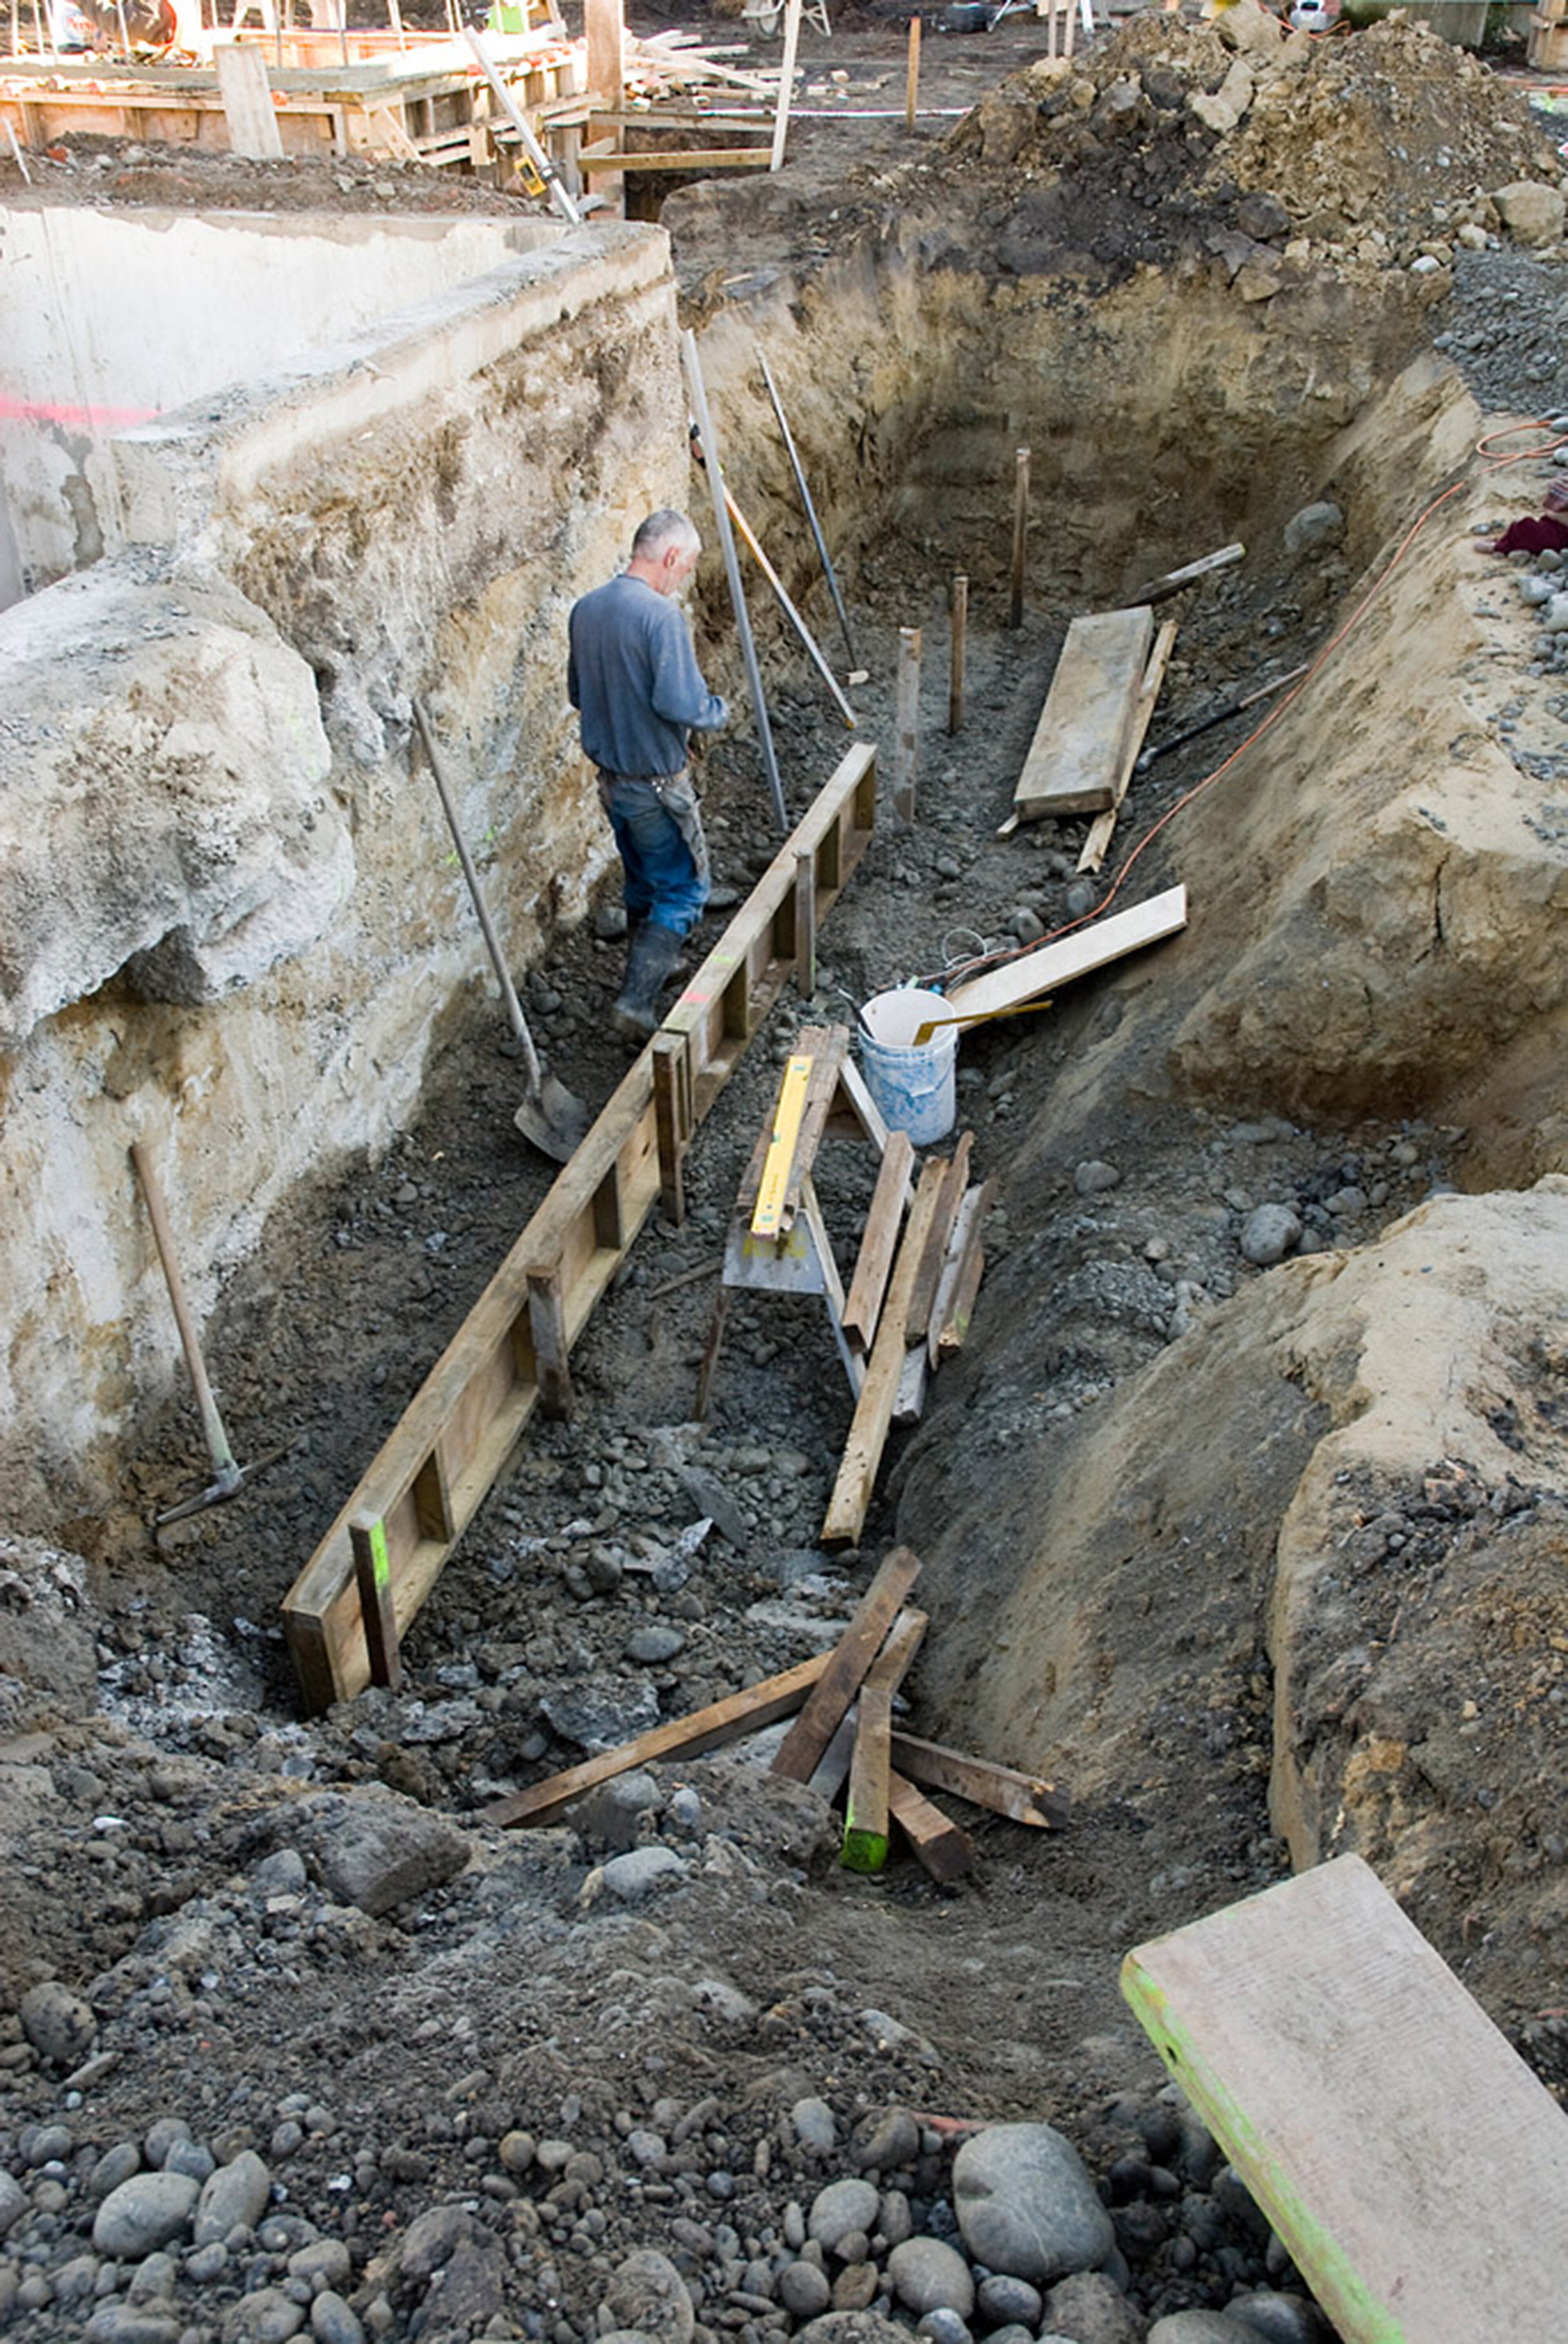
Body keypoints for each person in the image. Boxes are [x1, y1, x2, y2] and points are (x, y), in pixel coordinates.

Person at [567, 510, 729, 1038]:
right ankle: (636, 1000)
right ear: (671, 556)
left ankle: (654, 963)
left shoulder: (587, 610)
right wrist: (716, 711)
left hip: (612, 783)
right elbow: (679, 701)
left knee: (642, 878)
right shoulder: (659, 618)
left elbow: (578, 694)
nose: (683, 576)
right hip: (657, 785)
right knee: (684, 889)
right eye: (688, 566)